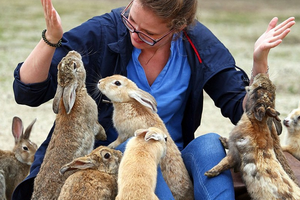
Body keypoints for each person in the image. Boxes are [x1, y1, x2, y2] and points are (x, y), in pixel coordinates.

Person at [12, 0, 295, 199]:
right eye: (131, 21)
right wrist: (51, 38)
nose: (134, 34)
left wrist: (260, 62)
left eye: (148, 34)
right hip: (112, 157)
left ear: (178, 28)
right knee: (140, 148)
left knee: (210, 143)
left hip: (174, 160)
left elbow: (244, 113)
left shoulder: (198, 44)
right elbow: (28, 91)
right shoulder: (105, 30)